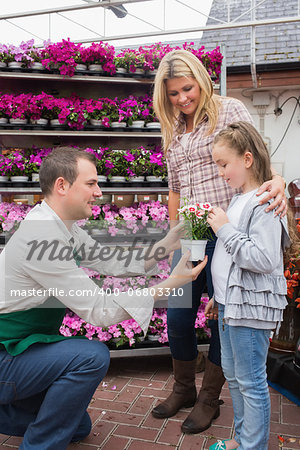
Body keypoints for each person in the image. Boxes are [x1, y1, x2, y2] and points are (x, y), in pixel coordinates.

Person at [0, 146, 207, 450]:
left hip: (21, 351)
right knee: (91, 356)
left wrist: (166, 243)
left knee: (78, 425)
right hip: (6, 359)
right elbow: (101, 313)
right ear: (62, 185)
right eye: (91, 183)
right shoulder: (41, 236)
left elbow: (113, 261)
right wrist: (170, 284)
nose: (99, 191)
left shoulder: (62, 226)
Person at [151, 49, 287, 434]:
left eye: (187, 89)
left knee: (221, 317)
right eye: (173, 93)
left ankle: (209, 398)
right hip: (191, 232)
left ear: (200, 80)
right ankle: (184, 389)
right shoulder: (173, 127)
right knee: (177, 318)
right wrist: (173, 232)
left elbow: (255, 154)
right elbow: (174, 187)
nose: (182, 99)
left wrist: (275, 182)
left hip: (227, 231)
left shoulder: (229, 110)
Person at [206, 121, 299, 450]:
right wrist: (218, 297)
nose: (221, 173)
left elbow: (262, 259)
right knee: (235, 377)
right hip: (233, 306)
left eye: (223, 164)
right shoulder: (239, 198)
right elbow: (229, 263)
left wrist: (224, 230)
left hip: (251, 309)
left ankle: (252, 446)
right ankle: (244, 440)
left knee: (251, 382)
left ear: (247, 159)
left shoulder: (263, 203)